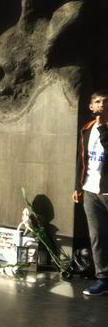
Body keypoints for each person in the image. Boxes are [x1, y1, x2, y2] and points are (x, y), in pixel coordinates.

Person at [73, 89, 108, 296]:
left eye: (106, 101)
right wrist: (78, 187)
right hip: (90, 191)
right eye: (98, 102)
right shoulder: (86, 128)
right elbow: (82, 160)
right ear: (91, 107)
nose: (102, 104)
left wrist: (103, 127)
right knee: (97, 236)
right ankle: (103, 278)